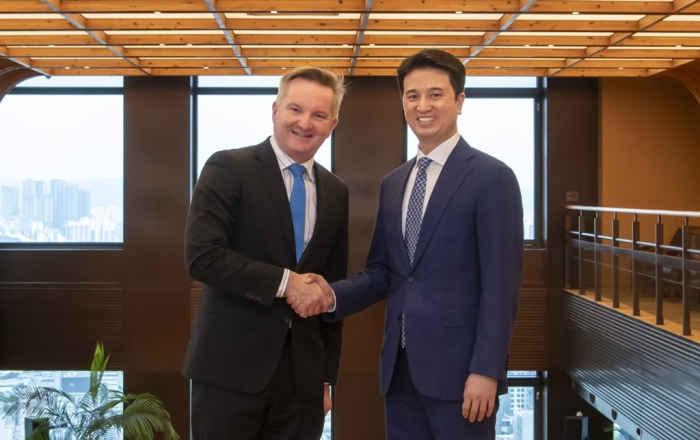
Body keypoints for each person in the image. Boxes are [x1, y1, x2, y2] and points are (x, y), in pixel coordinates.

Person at [296, 49, 523, 439]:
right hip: (399, 373)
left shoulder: (493, 178)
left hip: (462, 378)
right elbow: (385, 272)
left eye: (435, 94)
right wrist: (330, 295)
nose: (423, 106)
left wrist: (486, 370)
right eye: (412, 95)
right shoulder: (394, 183)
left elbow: (501, 287)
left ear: (459, 101)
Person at [183, 66, 348, 440]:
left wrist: (325, 379)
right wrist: (287, 283)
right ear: (275, 110)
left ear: (332, 123)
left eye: (319, 115)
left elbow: (330, 291)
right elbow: (202, 255)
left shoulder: (338, 191)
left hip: (303, 383)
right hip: (228, 371)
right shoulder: (229, 167)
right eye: (295, 109)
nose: (305, 123)